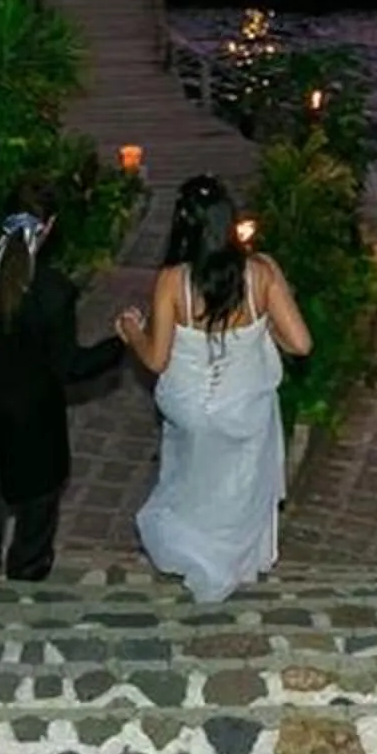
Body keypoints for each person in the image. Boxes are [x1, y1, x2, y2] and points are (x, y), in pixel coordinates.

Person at [116, 174, 311, 603]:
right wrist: (265, 328)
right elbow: (301, 342)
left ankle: (192, 552)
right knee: (239, 484)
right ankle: (233, 561)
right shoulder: (262, 272)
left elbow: (156, 360)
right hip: (244, 407)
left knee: (191, 479)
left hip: (190, 409)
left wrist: (132, 331)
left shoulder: (172, 281)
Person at [0, 194, 125, 580]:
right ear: (47, 227)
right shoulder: (53, 291)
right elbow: (71, 367)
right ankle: (27, 570)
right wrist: (120, 343)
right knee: (37, 501)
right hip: (34, 421)